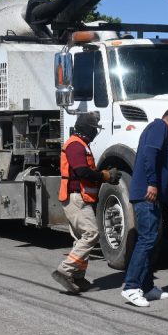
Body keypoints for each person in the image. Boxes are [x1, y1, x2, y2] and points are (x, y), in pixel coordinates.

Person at [51, 112, 120, 295]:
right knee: (91, 234)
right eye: (94, 129)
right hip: (75, 198)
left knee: (81, 239)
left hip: (78, 197)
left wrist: (102, 175)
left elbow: (85, 171)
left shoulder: (81, 144)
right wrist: (104, 175)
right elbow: (81, 171)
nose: (95, 133)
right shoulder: (75, 145)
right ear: (87, 129)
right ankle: (65, 271)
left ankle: (77, 276)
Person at [121, 107, 168, 308]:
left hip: (151, 196)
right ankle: (131, 286)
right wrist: (152, 183)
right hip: (146, 194)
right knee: (147, 239)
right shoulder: (159, 127)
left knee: (152, 240)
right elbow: (149, 154)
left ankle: (147, 287)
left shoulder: (157, 129)